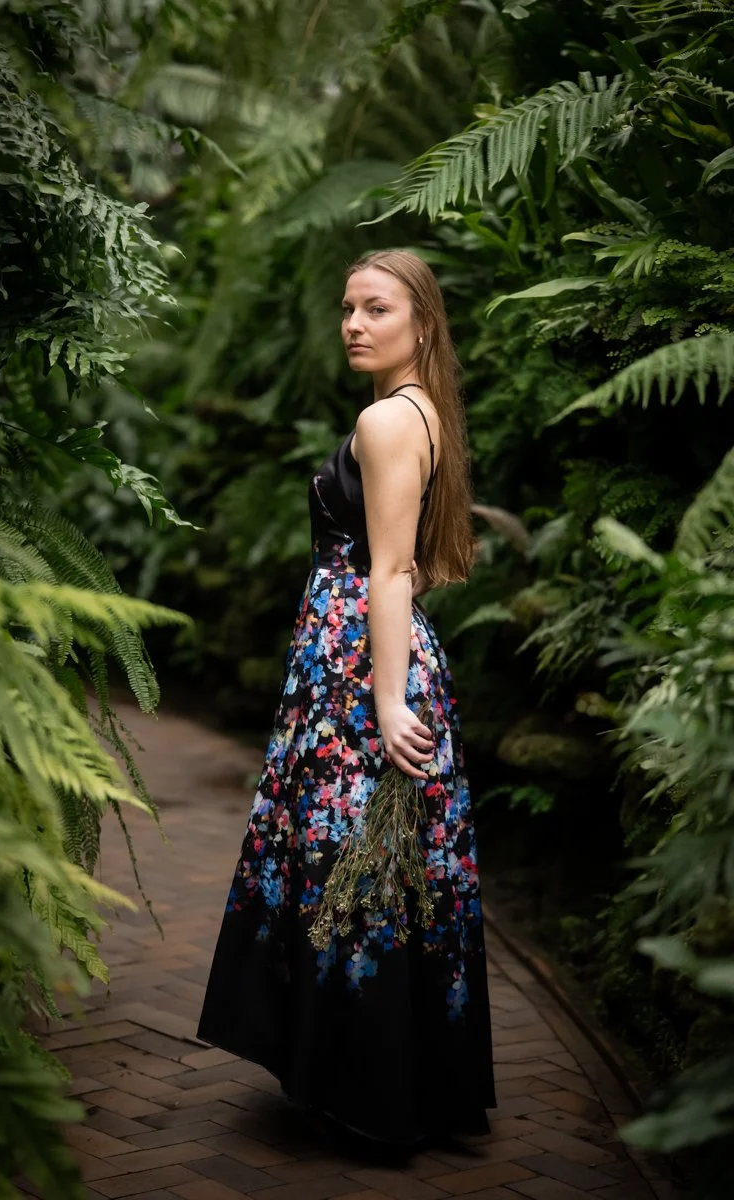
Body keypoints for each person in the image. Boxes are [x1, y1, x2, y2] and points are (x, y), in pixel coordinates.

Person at [197, 248, 496, 1148]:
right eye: (347, 308)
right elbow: (419, 564)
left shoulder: (388, 421)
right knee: (385, 873)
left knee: (353, 872)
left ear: (423, 324)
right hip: (364, 662)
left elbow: (393, 571)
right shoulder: (420, 412)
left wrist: (389, 701)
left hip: (362, 678)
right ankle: (397, 1086)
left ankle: (369, 1093)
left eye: (377, 309)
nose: (354, 325)